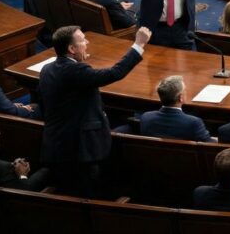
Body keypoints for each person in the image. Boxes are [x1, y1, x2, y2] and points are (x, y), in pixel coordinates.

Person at [39, 25, 150, 197]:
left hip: (57, 144)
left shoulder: (47, 69)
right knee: (86, 193)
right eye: (82, 40)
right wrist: (138, 45)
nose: (87, 42)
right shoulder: (76, 71)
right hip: (80, 149)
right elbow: (115, 73)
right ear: (71, 49)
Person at [138, 75, 213, 142]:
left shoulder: (146, 117)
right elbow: (209, 146)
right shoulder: (193, 123)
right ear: (181, 98)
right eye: (185, 91)